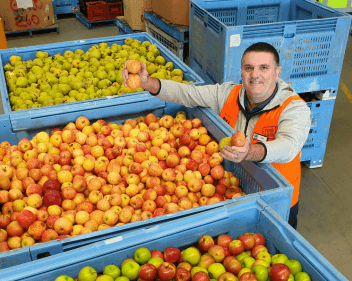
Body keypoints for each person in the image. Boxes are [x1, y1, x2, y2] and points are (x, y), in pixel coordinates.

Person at [121, 42, 311, 229]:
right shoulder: (229, 93)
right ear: (242, 72)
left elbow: (289, 145)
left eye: (264, 68)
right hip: (231, 189)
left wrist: (250, 151)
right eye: (248, 68)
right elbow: (187, 93)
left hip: (276, 199)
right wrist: (147, 83)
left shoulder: (294, 108)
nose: (255, 75)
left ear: (277, 73)